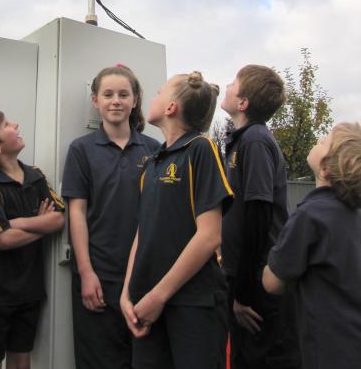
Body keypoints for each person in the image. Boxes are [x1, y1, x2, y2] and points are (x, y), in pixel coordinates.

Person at [121, 72, 233, 369]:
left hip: (193, 304)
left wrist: (159, 296)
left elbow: (209, 236)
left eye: (158, 92)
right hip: (145, 302)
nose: (153, 98)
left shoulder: (201, 149)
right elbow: (141, 233)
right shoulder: (152, 161)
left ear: (171, 108)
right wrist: (126, 294)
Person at [62, 64, 160, 369]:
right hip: (99, 277)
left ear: (135, 100)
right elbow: (76, 212)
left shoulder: (155, 150)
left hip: (145, 276)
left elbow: (160, 214)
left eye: (123, 94)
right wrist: (86, 272)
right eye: (107, 94)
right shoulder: (81, 150)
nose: (115, 101)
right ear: (95, 100)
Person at [0, 109, 65, 369]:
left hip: (28, 292)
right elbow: (3, 240)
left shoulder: (36, 176)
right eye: (7, 124)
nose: (16, 124)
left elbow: (59, 219)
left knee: (21, 359)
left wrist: (17, 223)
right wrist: (41, 223)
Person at [220, 65, 301, 369]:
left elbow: (258, 216)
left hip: (256, 285)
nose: (227, 85)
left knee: (260, 358)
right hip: (243, 278)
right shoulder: (240, 140)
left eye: (233, 82)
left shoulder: (254, 140)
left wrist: (242, 292)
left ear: (243, 103)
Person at [263, 122, 361, 369]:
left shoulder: (311, 215)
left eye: (324, 140)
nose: (318, 139)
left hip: (326, 350)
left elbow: (273, 282)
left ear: (327, 168)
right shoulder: (353, 216)